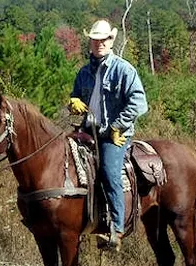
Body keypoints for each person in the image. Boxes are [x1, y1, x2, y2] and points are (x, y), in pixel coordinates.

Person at [68, 19, 148, 250]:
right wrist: (74, 102)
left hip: (114, 135)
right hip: (88, 131)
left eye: (103, 39)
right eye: (95, 40)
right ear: (90, 42)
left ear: (110, 41)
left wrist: (117, 126)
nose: (99, 43)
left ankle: (117, 228)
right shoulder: (83, 72)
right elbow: (76, 97)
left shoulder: (124, 69)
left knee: (109, 171)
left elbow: (139, 103)